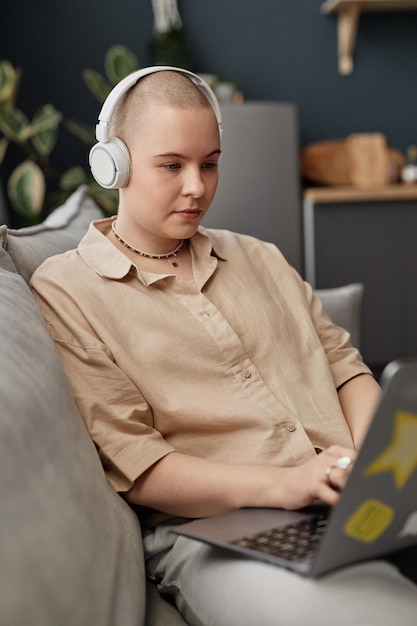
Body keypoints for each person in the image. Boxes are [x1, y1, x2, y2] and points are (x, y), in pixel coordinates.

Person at [30, 67, 416, 625]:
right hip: (222, 531)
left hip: (349, 500)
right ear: (113, 164)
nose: (197, 186)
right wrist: (286, 484)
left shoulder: (259, 257)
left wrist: (381, 468)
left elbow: (343, 365)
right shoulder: (68, 290)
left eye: (209, 164)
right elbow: (140, 464)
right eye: (172, 166)